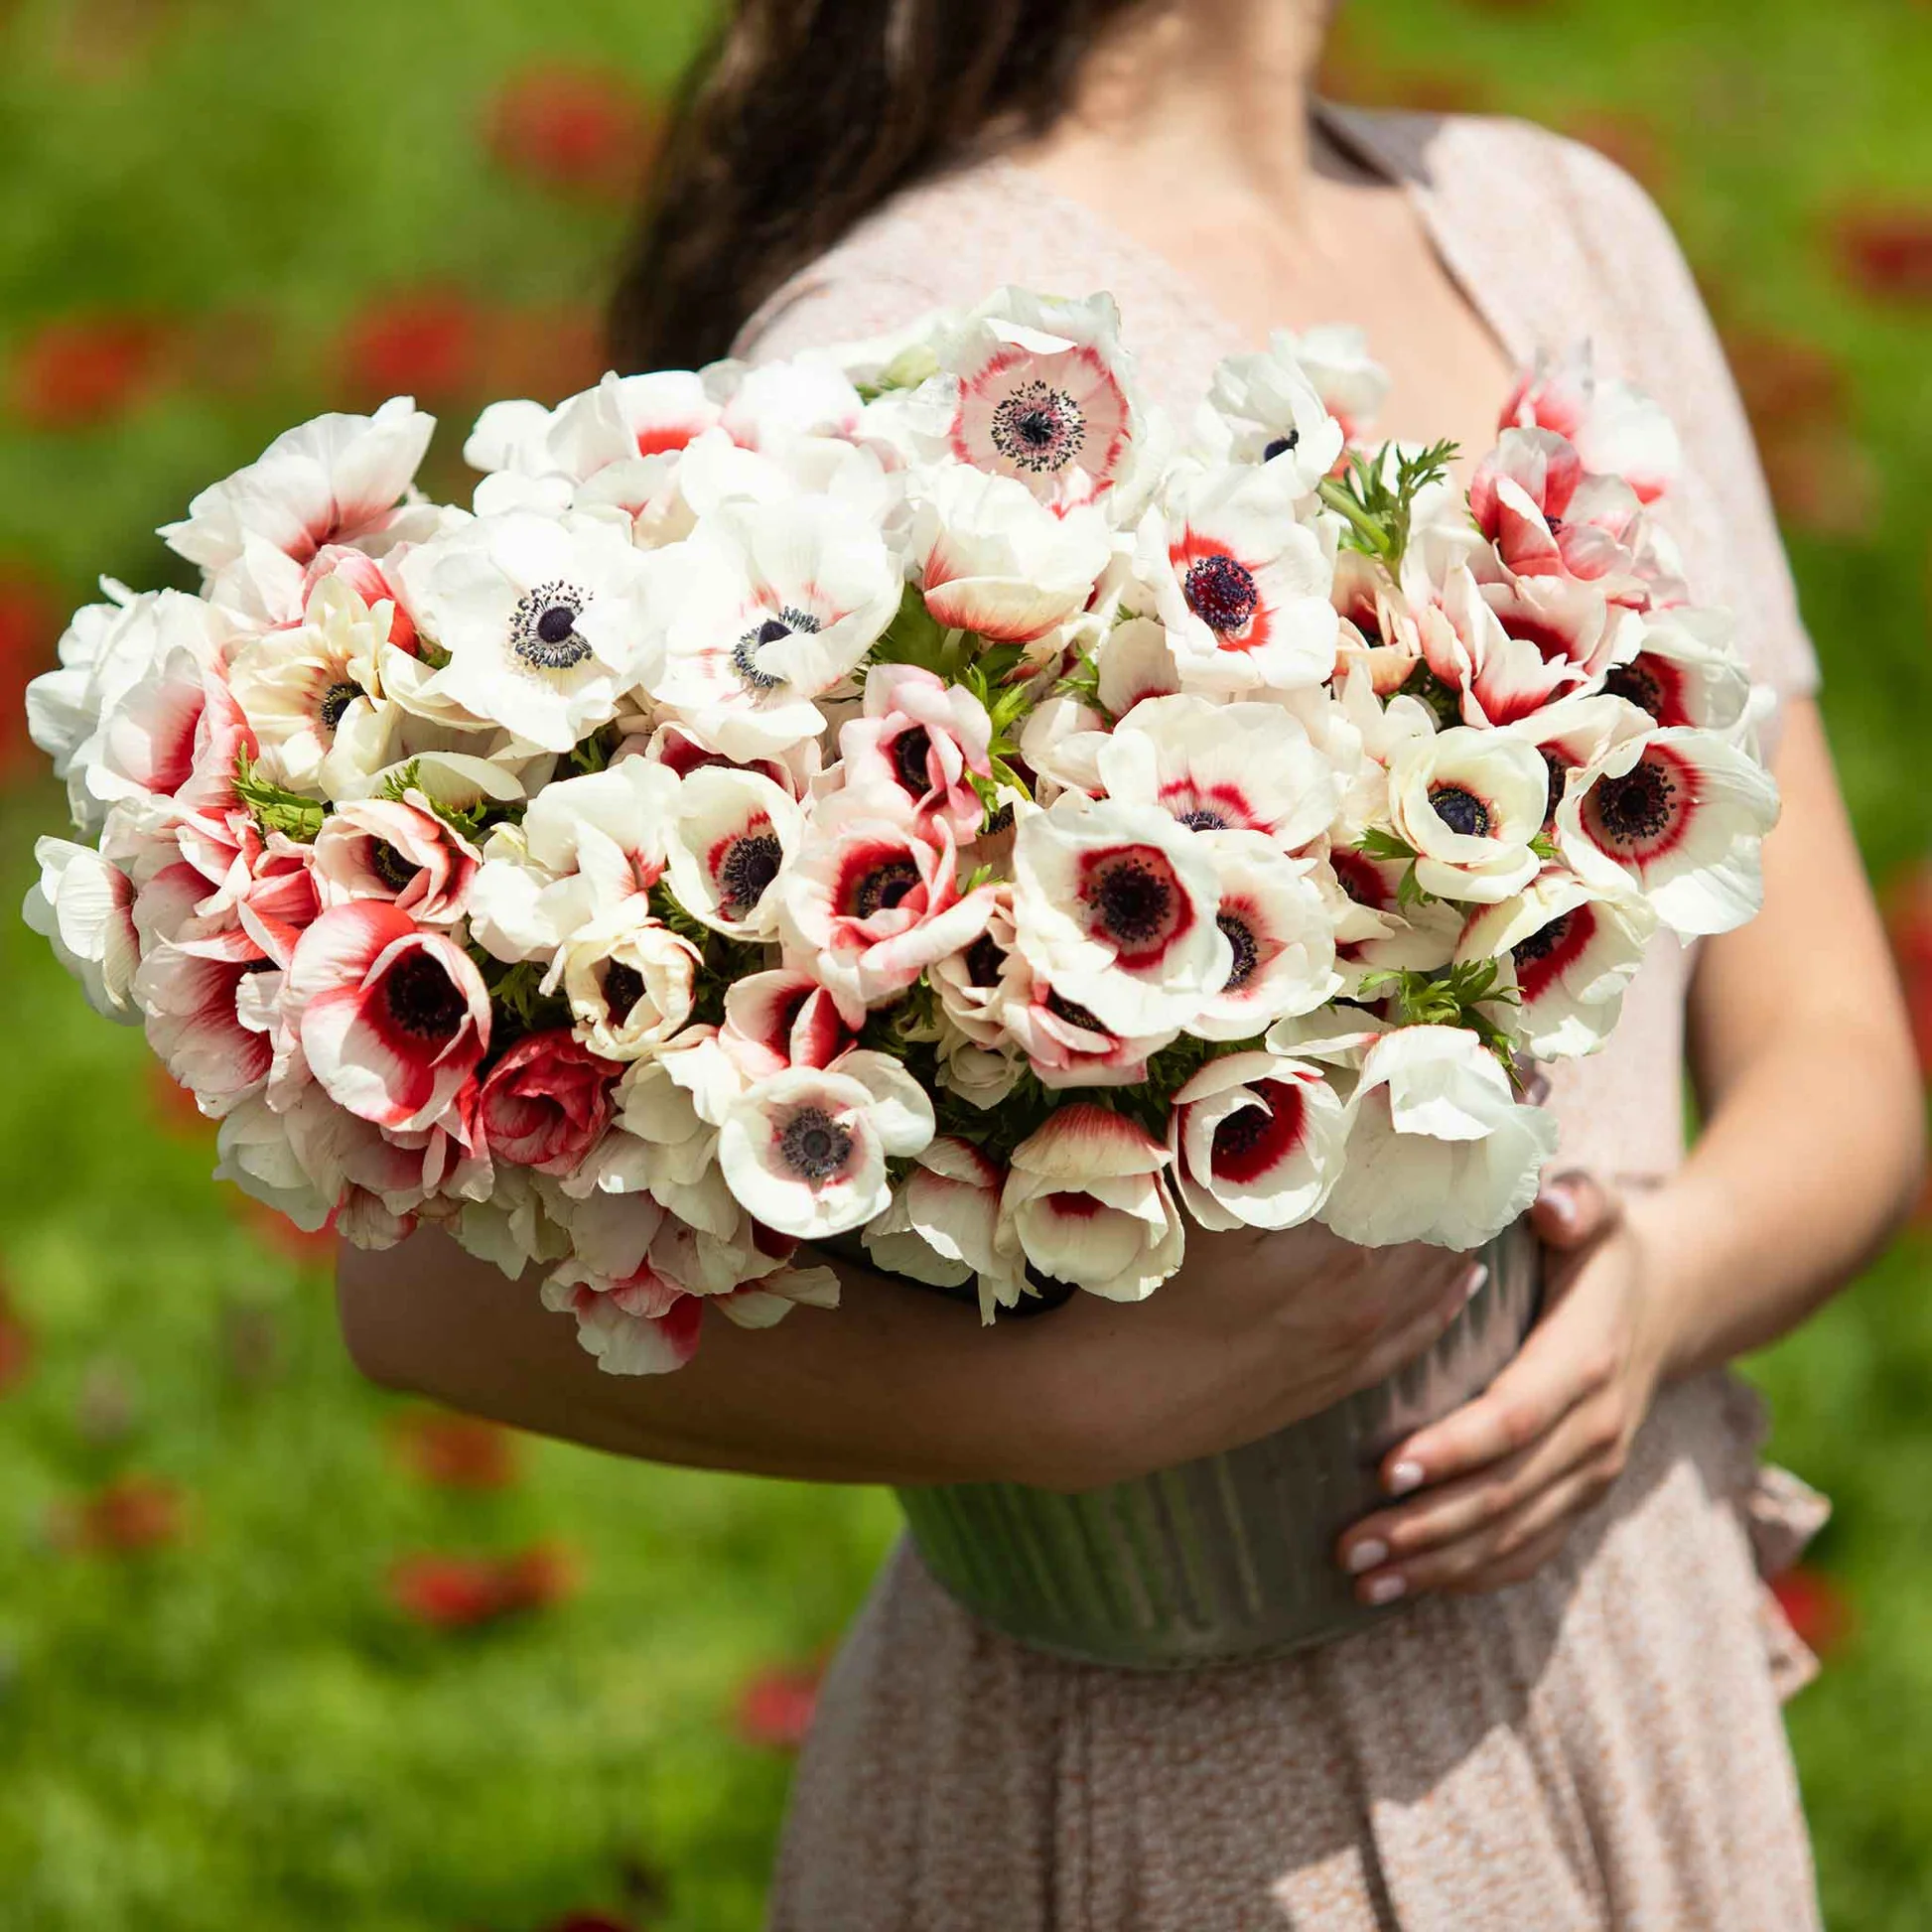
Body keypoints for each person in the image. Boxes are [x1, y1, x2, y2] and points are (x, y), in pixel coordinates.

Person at [338, 1, 1926, 1923]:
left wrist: (1656, 1285)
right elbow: (424, 1287)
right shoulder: (898, 348)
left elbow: (1836, 1050)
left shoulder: (1562, 233)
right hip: (1169, 1779)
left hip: (1621, 1652)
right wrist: (1049, 1418)